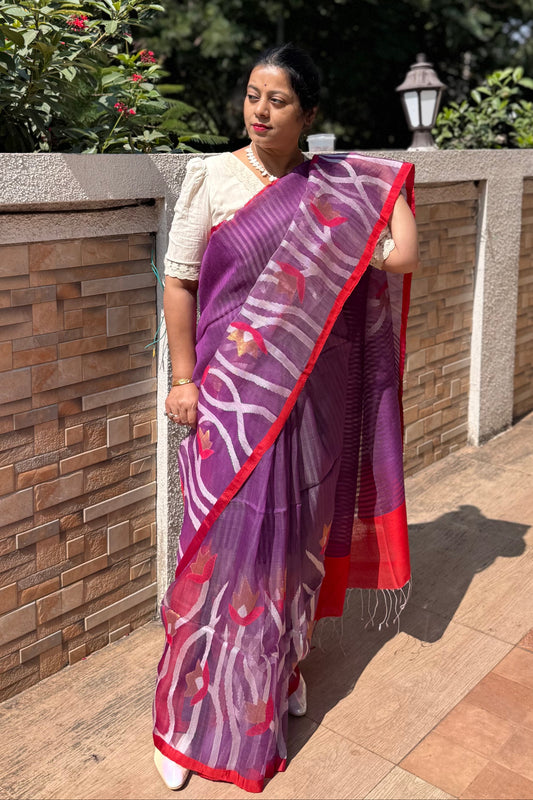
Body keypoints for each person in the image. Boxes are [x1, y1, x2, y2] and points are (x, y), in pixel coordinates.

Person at [153, 43, 419, 793]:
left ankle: (280, 671)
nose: (259, 111)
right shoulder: (209, 175)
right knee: (214, 546)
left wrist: (368, 196)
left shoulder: (331, 184)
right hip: (228, 401)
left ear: (308, 115)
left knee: (291, 542)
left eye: (276, 101)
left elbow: (401, 253)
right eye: (251, 96)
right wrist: (182, 380)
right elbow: (178, 283)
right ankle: (184, 718)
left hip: (303, 400)